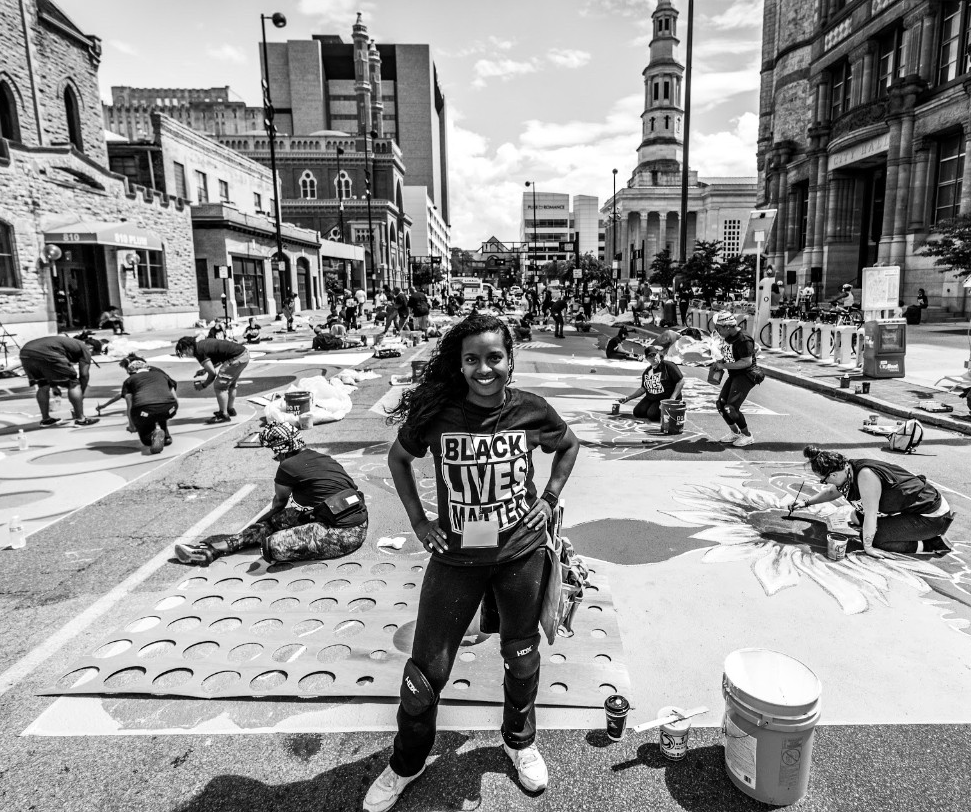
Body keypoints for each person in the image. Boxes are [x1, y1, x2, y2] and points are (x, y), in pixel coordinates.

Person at [366, 313, 579, 811]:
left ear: (510, 360)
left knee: (522, 656)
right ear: (460, 366)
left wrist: (547, 499)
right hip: (456, 560)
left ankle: (519, 741)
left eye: (494, 358)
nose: (484, 369)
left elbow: (568, 446)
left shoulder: (532, 410)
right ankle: (407, 762)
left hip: (519, 556)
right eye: (472, 360)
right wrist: (420, 523)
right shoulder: (439, 415)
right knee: (425, 674)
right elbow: (398, 459)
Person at [174, 422, 368, 565]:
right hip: (354, 521)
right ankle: (217, 548)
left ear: (279, 449)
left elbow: (278, 503)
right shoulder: (323, 457)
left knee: (272, 546)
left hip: (344, 534)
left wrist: (260, 525)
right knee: (284, 518)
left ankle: (211, 552)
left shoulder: (287, 466)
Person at [789, 445, 954, 558]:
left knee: (875, 538)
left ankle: (932, 543)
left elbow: (870, 515)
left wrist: (868, 547)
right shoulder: (847, 469)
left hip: (931, 517)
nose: (826, 484)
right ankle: (905, 532)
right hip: (911, 510)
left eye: (824, 481)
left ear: (833, 475)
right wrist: (806, 503)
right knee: (856, 516)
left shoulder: (866, 475)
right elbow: (834, 491)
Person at [94, 354, 177, 454]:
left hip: (147, 408)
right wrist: (173, 406)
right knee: (158, 410)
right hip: (170, 407)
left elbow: (129, 403)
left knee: (146, 414)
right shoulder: (158, 373)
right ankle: (166, 437)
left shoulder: (131, 379)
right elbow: (172, 387)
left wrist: (132, 424)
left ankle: (150, 437)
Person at [17, 334, 99, 427]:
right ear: (92, 348)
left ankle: (46, 419)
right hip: (46, 352)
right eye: (94, 354)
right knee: (73, 383)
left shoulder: (70, 344)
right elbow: (84, 375)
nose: (91, 356)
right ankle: (81, 419)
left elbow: (49, 369)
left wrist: (54, 386)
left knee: (42, 384)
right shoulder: (85, 348)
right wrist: (81, 392)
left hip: (25, 352)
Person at [174, 334, 250, 423]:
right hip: (243, 354)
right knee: (231, 384)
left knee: (220, 386)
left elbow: (212, 374)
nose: (186, 355)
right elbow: (218, 359)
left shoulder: (198, 352)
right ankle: (230, 409)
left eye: (185, 353)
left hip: (236, 358)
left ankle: (223, 415)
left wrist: (203, 385)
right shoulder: (201, 344)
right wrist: (205, 370)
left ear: (188, 347)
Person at [710, 310, 758, 447]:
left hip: (746, 375)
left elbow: (746, 362)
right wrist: (720, 362)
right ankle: (735, 433)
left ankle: (748, 435)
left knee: (731, 407)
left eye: (719, 329)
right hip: (734, 374)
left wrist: (723, 365)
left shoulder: (743, 339)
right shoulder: (729, 337)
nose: (718, 331)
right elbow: (731, 355)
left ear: (728, 326)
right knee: (720, 404)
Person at [614, 345, 684, 422]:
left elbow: (680, 381)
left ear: (658, 354)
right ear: (647, 359)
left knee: (652, 415)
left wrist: (672, 398)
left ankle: (669, 412)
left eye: (654, 355)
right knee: (637, 412)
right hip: (652, 397)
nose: (653, 358)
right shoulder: (647, 372)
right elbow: (643, 389)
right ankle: (655, 408)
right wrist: (628, 398)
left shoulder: (668, 366)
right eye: (650, 357)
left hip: (666, 398)